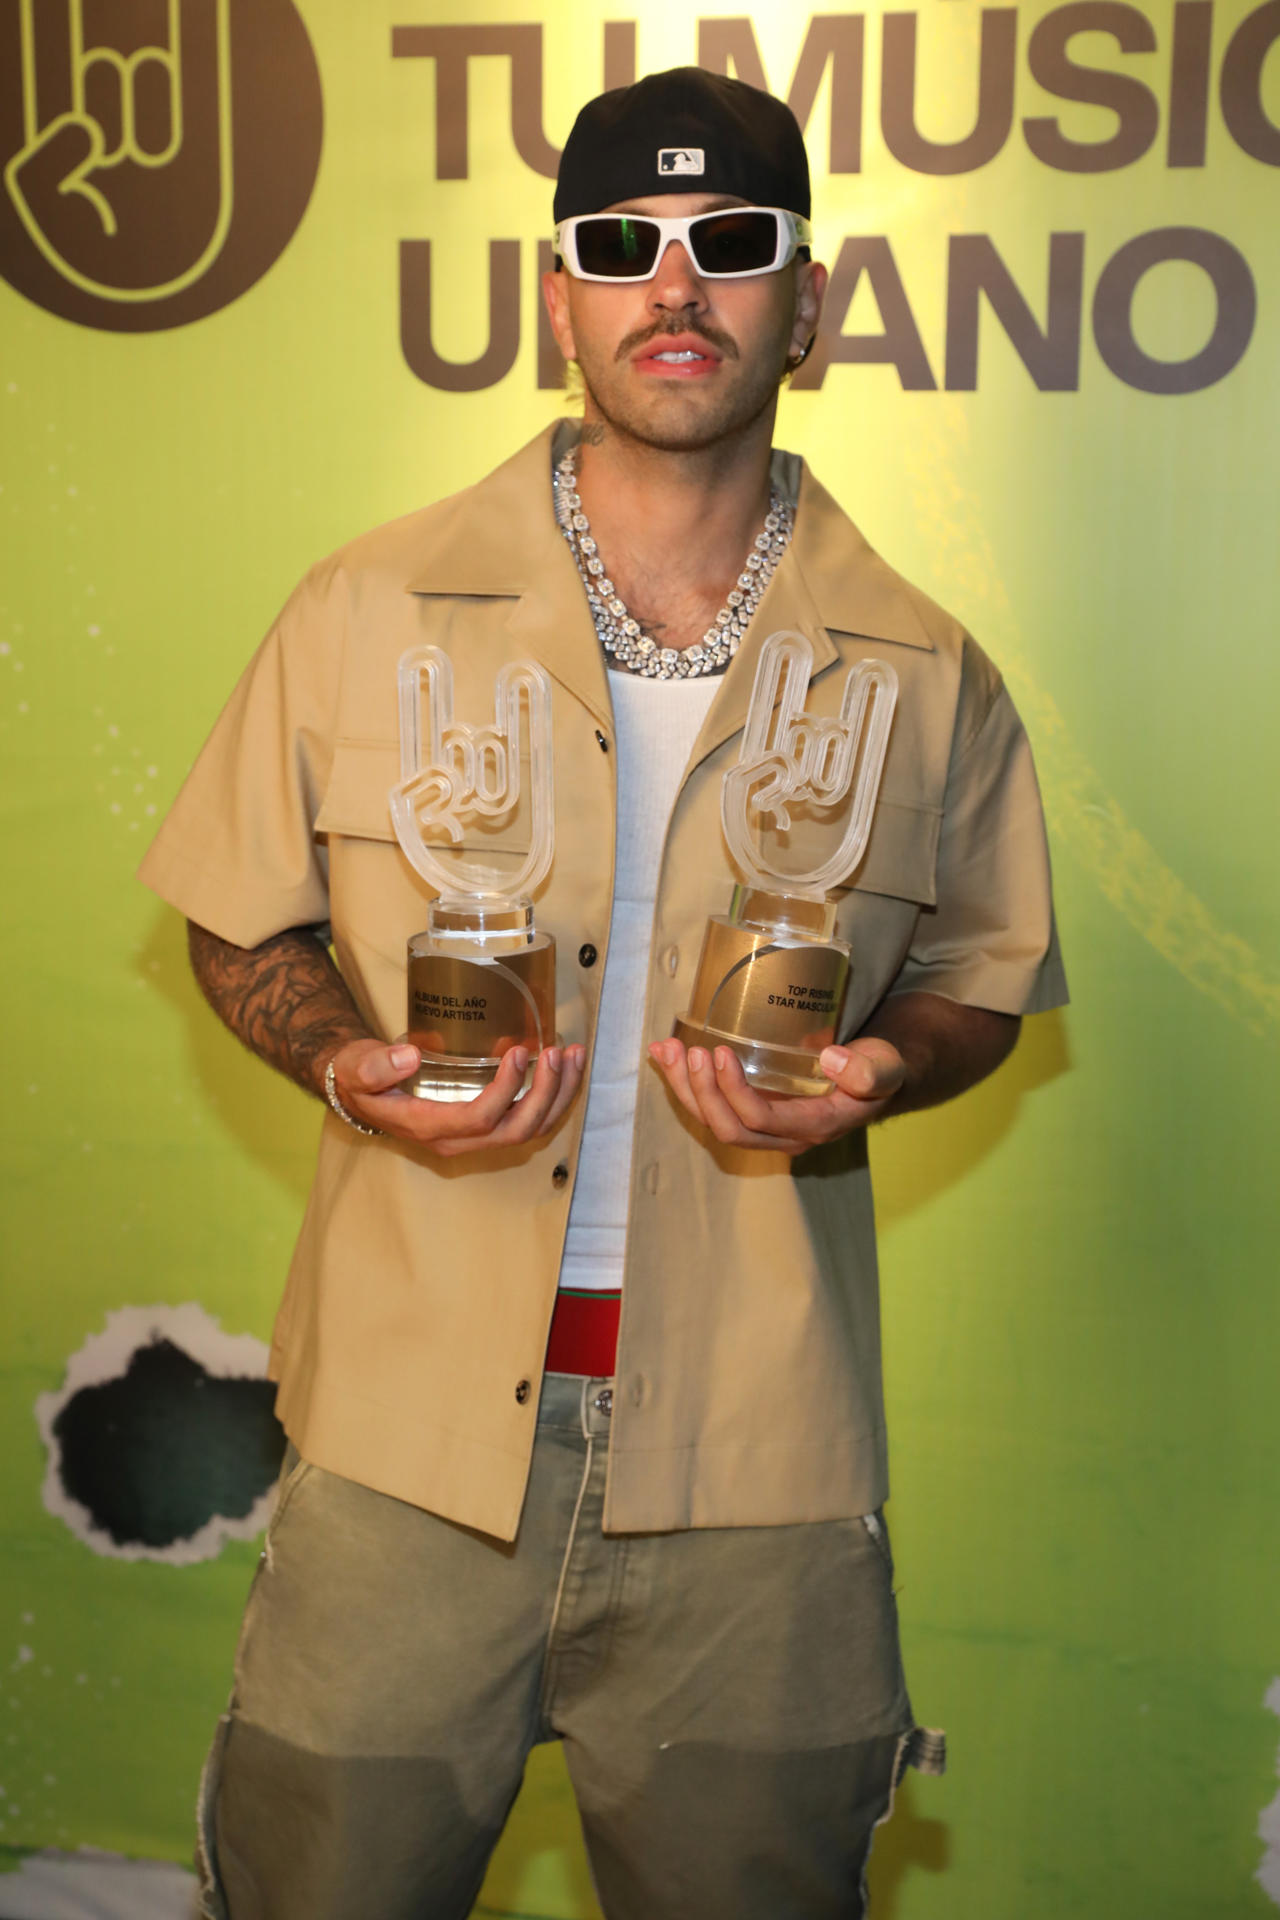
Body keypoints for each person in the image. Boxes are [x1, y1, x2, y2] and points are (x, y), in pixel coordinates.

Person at [141, 67, 1066, 1920]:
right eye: (619, 244)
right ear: (556, 292)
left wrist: (882, 1068)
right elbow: (238, 926)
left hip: (761, 1476)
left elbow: (980, 981)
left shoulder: (927, 670)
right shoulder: (363, 605)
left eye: (732, 245)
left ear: (809, 307)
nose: (676, 283)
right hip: (404, 1463)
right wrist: (342, 1065)